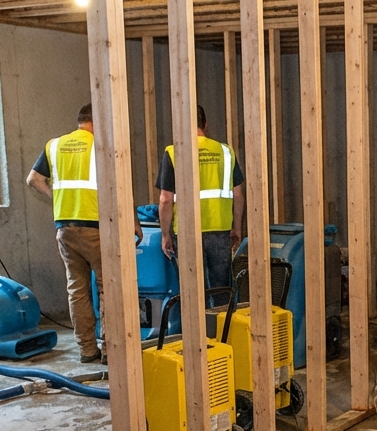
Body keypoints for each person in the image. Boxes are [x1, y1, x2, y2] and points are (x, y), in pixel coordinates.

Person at [26, 103, 142, 364]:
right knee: (107, 288)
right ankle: (110, 350)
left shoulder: (54, 145)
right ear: (98, 122)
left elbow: (33, 179)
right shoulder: (103, 147)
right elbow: (121, 188)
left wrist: (57, 198)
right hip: (97, 227)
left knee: (77, 289)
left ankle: (87, 349)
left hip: (65, 227)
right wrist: (134, 221)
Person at [156, 105, 245, 291]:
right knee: (221, 290)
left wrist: (165, 235)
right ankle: (219, 321)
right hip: (220, 229)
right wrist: (237, 227)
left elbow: (165, 199)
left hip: (188, 231)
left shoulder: (173, 152)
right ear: (205, 124)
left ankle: (197, 321)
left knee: (193, 291)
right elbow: (238, 195)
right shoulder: (225, 152)